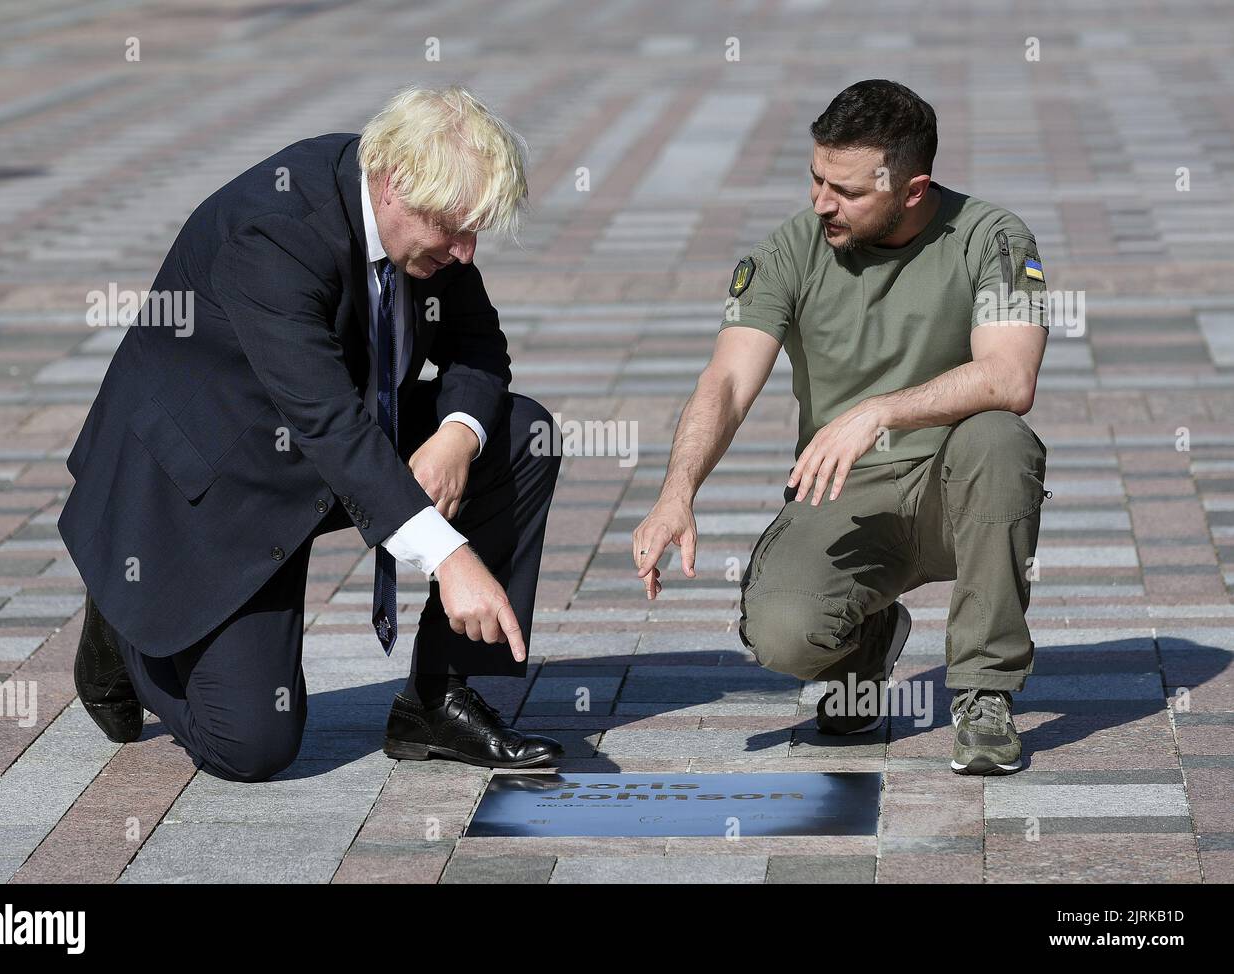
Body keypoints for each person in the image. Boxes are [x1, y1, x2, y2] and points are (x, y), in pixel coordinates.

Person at [62, 85, 564, 782]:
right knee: (252, 746)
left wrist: (456, 435)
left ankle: (437, 701)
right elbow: (327, 420)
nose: (466, 251)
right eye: (454, 228)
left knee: (520, 433)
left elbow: (479, 347)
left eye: (475, 230)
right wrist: (449, 557)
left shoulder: (428, 236)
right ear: (393, 185)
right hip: (205, 484)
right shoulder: (273, 232)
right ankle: (126, 626)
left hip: (318, 447)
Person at [632, 80, 1051, 775]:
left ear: (913, 189)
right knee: (783, 635)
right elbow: (728, 381)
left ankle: (984, 692)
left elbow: (1010, 379)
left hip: (957, 489)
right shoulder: (791, 250)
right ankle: (865, 642)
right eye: (816, 179)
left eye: (848, 191)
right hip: (843, 494)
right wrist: (678, 490)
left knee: (1001, 440)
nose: (822, 202)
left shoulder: (992, 238)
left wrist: (879, 410)